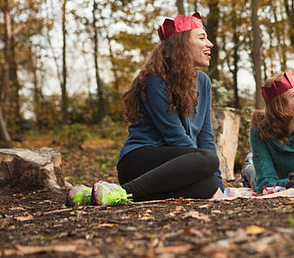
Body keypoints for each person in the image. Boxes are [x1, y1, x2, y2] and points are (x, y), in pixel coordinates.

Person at [67, 13, 223, 206]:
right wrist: (204, 164)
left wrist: (220, 188)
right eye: (201, 38)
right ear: (181, 44)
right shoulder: (156, 79)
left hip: (180, 164)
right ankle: (125, 191)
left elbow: (206, 135)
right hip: (140, 162)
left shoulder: (204, 82)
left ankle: (98, 197)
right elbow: (174, 136)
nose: (210, 44)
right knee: (208, 160)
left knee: (208, 185)